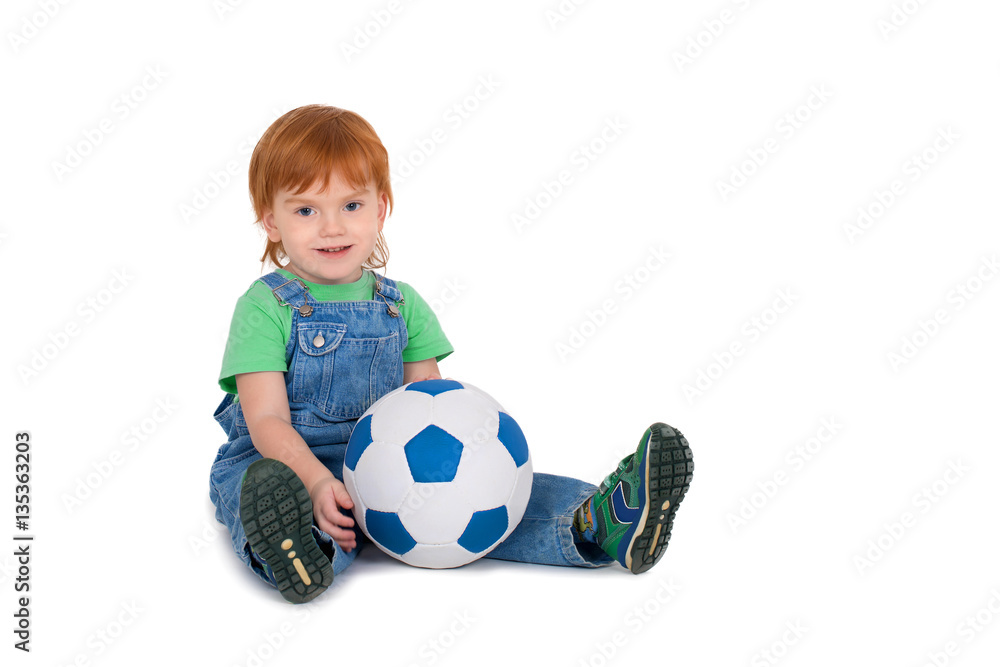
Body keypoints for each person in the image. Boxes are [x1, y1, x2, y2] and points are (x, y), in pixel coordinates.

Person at [208, 104, 694, 603]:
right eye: (306, 210)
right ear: (271, 221)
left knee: (491, 494)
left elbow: (428, 406)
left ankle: (600, 519)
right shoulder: (264, 306)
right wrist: (313, 481)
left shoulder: (401, 305)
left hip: (385, 470)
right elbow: (265, 419)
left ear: (381, 209)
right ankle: (300, 549)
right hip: (283, 459)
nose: (331, 227)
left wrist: (447, 483)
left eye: (350, 206)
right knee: (257, 491)